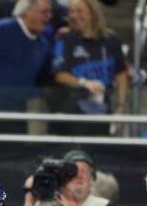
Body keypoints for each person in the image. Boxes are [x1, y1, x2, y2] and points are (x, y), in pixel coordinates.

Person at [51, 0, 128, 134]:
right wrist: (85, 83)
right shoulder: (65, 40)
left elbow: (121, 73)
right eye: (71, 12)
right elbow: (60, 75)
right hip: (72, 110)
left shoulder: (111, 40)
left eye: (79, 11)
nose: (74, 15)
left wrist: (121, 106)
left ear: (93, 13)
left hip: (103, 109)